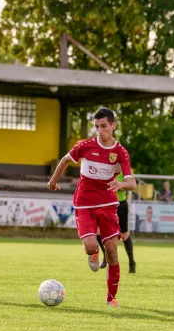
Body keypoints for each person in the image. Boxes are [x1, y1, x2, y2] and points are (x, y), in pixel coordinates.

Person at [47, 107, 136, 308]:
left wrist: (121, 184)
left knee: (112, 251)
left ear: (113, 125)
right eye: (97, 126)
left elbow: (132, 183)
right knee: (89, 246)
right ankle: (94, 252)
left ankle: (111, 297)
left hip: (108, 204)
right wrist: (53, 181)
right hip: (84, 203)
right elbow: (65, 160)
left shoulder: (120, 152)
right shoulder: (85, 146)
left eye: (104, 126)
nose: (100, 131)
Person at [97, 170, 137, 273]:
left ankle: (131, 261)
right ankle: (105, 256)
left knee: (124, 235)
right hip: (105, 205)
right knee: (99, 232)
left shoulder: (125, 169)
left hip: (120, 204)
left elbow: (133, 185)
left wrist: (120, 186)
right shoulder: (104, 167)